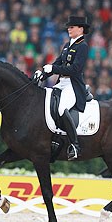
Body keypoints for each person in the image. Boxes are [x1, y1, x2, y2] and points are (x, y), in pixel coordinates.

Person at [34, 15, 90, 160]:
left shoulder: (82, 46)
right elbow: (57, 64)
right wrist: (43, 74)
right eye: (68, 27)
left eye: (72, 27)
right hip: (61, 83)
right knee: (46, 106)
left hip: (73, 85)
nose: (69, 29)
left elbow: (75, 69)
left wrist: (54, 68)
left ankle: (75, 145)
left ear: (81, 29)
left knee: (60, 109)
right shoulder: (67, 46)